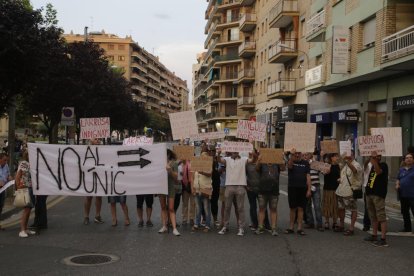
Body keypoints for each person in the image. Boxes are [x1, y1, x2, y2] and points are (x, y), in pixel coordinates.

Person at [217, 150, 253, 236]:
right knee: (227, 207)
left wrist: (252, 155)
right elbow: (219, 160)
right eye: (233, 151)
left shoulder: (244, 159)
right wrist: (218, 154)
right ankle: (225, 226)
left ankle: (241, 228)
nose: (235, 152)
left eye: (236, 151)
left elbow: (252, 160)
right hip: (229, 186)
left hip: (240, 185)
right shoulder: (227, 159)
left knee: (240, 208)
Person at [255, 153, 285, 236]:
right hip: (262, 190)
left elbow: (283, 168)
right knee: (261, 209)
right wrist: (259, 160)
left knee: (273, 209)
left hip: (274, 191)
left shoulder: (277, 164)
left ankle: (273, 228)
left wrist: (281, 160)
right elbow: (257, 168)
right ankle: (260, 227)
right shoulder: (262, 163)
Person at [364, 152, 389, 247]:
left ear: (380, 157)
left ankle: (383, 238)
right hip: (369, 193)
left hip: (378, 194)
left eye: (377, 156)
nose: (374, 158)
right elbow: (365, 167)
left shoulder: (383, 165)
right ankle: (374, 235)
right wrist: (369, 158)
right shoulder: (371, 165)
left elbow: (378, 172)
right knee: (373, 216)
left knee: (381, 216)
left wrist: (374, 161)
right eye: (374, 156)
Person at [285, 149, 311, 236]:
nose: (297, 155)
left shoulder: (306, 163)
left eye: (299, 153)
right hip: (292, 187)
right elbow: (289, 167)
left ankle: (300, 228)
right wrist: (291, 156)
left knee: (301, 208)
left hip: (303, 188)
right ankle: (291, 227)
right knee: (292, 208)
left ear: (301, 154)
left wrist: (309, 189)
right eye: (295, 153)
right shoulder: (291, 161)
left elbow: (308, 176)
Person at [335, 151, 362, 235]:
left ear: (353, 155)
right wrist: (340, 179)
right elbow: (342, 174)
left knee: (353, 209)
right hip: (341, 191)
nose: (346, 156)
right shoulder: (345, 165)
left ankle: (351, 228)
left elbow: (354, 171)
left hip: (350, 191)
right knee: (341, 208)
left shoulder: (357, 164)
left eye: (349, 154)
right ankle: (342, 225)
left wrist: (347, 161)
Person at [158, 149, 180, 236]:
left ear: (168, 155)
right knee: (163, 207)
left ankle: (174, 228)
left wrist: (170, 170)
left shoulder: (174, 163)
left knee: (171, 208)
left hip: (171, 187)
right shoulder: (159, 164)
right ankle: (164, 226)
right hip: (161, 187)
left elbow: (176, 178)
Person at [15, 150, 36, 238]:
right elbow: (18, 176)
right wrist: (18, 187)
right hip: (25, 188)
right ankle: (22, 230)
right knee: (26, 209)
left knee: (29, 209)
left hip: (31, 188)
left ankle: (26, 228)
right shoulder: (24, 163)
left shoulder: (32, 164)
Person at [83, 138, 104, 225]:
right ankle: (86, 217)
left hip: (99, 175)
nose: (98, 140)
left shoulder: (102, 149)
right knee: (89, 197)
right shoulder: (86, 149)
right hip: (89, 176)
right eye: (96, 139)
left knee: (99, 196)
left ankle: (97, 216)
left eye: (99, 139)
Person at [191, 152, 213, 232]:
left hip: (206, 189)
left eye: (205, 157)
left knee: (206, 208)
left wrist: (202, 172)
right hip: (197, 189)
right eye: (202, 156)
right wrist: (193, 188)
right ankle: (197, 224)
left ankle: (207, 225)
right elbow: (193, 177)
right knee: (198, 208)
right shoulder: (197, 165)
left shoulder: (209, 165)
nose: (203, 158)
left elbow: (210, 174)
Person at [304, 152, 324, 231]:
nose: (306, 156)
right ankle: (310, 222)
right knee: (307, 206)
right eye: (305, 154)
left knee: (317, 206)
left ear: (311, 155)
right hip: (306, 187)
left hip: (315, 186)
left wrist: (321, 157)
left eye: (307, 154)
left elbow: (322, 169)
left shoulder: (315, 163)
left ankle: (319, 224)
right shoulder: (303, 163)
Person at [396, 153, 414, 233]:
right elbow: (398, 179)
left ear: (413, 159)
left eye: (410, 157)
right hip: (403, 195)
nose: (408, 159)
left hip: (412, 195)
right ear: (405, 160)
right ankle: (407, 228)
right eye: (407, 158)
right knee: (405, 213)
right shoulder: (401, 169)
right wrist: (397, 184)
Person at [322, 153, 340, 230]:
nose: (337, 158)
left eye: (337, 156)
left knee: (335, 205)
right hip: (328, 188)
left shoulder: (339, 166)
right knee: (327, 204)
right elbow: (323, 172)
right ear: (331, 158)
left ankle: (335, 222)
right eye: (335, 156)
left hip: (336, 188)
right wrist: (326, 170)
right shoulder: (327, 165)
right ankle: (326, 221)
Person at [246, 149, 260, 231]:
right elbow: (244, 175)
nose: (251, 153)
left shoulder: (260, 163)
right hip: (250, 188)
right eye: (250, 153)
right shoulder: (247, 163)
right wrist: (246, 186)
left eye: (253, 152)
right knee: (253, 207)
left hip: (260, 188)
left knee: (262, 207)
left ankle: (264, 223)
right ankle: (254, 223)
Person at [181, 159, 195, 226]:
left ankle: (192, 218)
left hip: (192, 184)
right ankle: (184, 219)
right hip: (184, 185)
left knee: (193, 203)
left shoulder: (194, 161)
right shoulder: (182, 162)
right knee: (185, 203)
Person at [0, 153, 11, 230]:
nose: (6, 162)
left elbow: (8, 175)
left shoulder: (6, 166)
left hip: (2, 189)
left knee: (0, 207)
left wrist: (9, 177)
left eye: (6, 160)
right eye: (4, 160)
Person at [210, 149, 221, 227]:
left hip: (216, 184)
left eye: (213, 151)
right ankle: (204, 219)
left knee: (214, 202)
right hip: (207, 184)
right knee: (205, 202)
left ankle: (215, 219)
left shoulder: (218, 161)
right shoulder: (205, 161)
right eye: (210, 151)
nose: (212, 152)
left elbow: (220, 171)